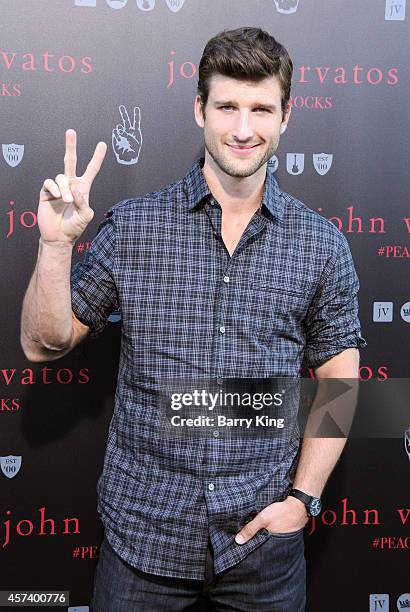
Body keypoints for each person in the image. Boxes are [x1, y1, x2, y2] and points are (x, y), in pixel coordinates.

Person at [20, 27, 366, 612]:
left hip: (263, 550)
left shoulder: (321, 246)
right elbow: (43, 346)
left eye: (261, 109)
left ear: (286, 116)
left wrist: (302, 501)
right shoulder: (134, 227)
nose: (242, 128)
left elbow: (339, 381)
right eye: (227, 106)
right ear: (199, 109)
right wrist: (56, 247)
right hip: (142, 544)